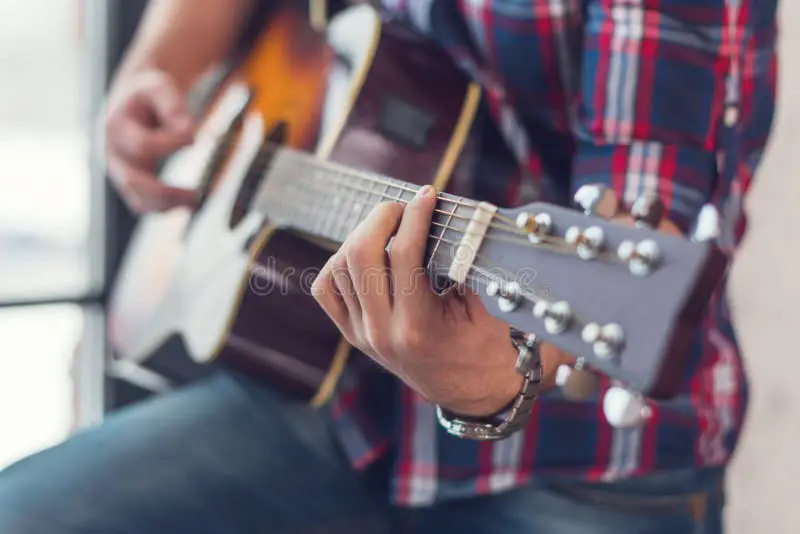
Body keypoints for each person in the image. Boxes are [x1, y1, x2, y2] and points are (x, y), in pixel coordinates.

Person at [0, 0, 778, 532]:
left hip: (574, 456)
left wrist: (485, 391)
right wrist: (156, 68)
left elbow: (643, 204)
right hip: (322, 389)